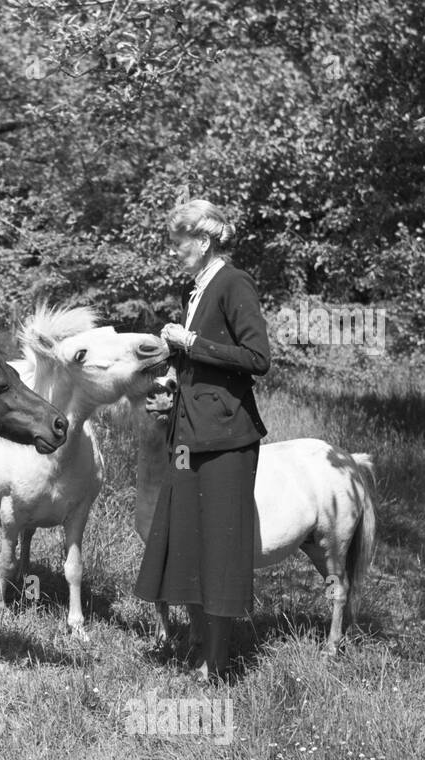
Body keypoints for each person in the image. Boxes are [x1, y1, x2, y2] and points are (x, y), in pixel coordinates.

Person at [135, 199, 270, 681]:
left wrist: (191, 344)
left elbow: (257, 357)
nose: (175, 253)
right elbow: (201, 372)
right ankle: (199, 648)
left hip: (229, 438)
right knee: (187, 544)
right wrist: (171, 389)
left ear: (204, 241)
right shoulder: (194, 292)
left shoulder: (234, 284)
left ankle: (218, 662)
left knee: (220, 549)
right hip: (188, 433)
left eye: (179, 244)